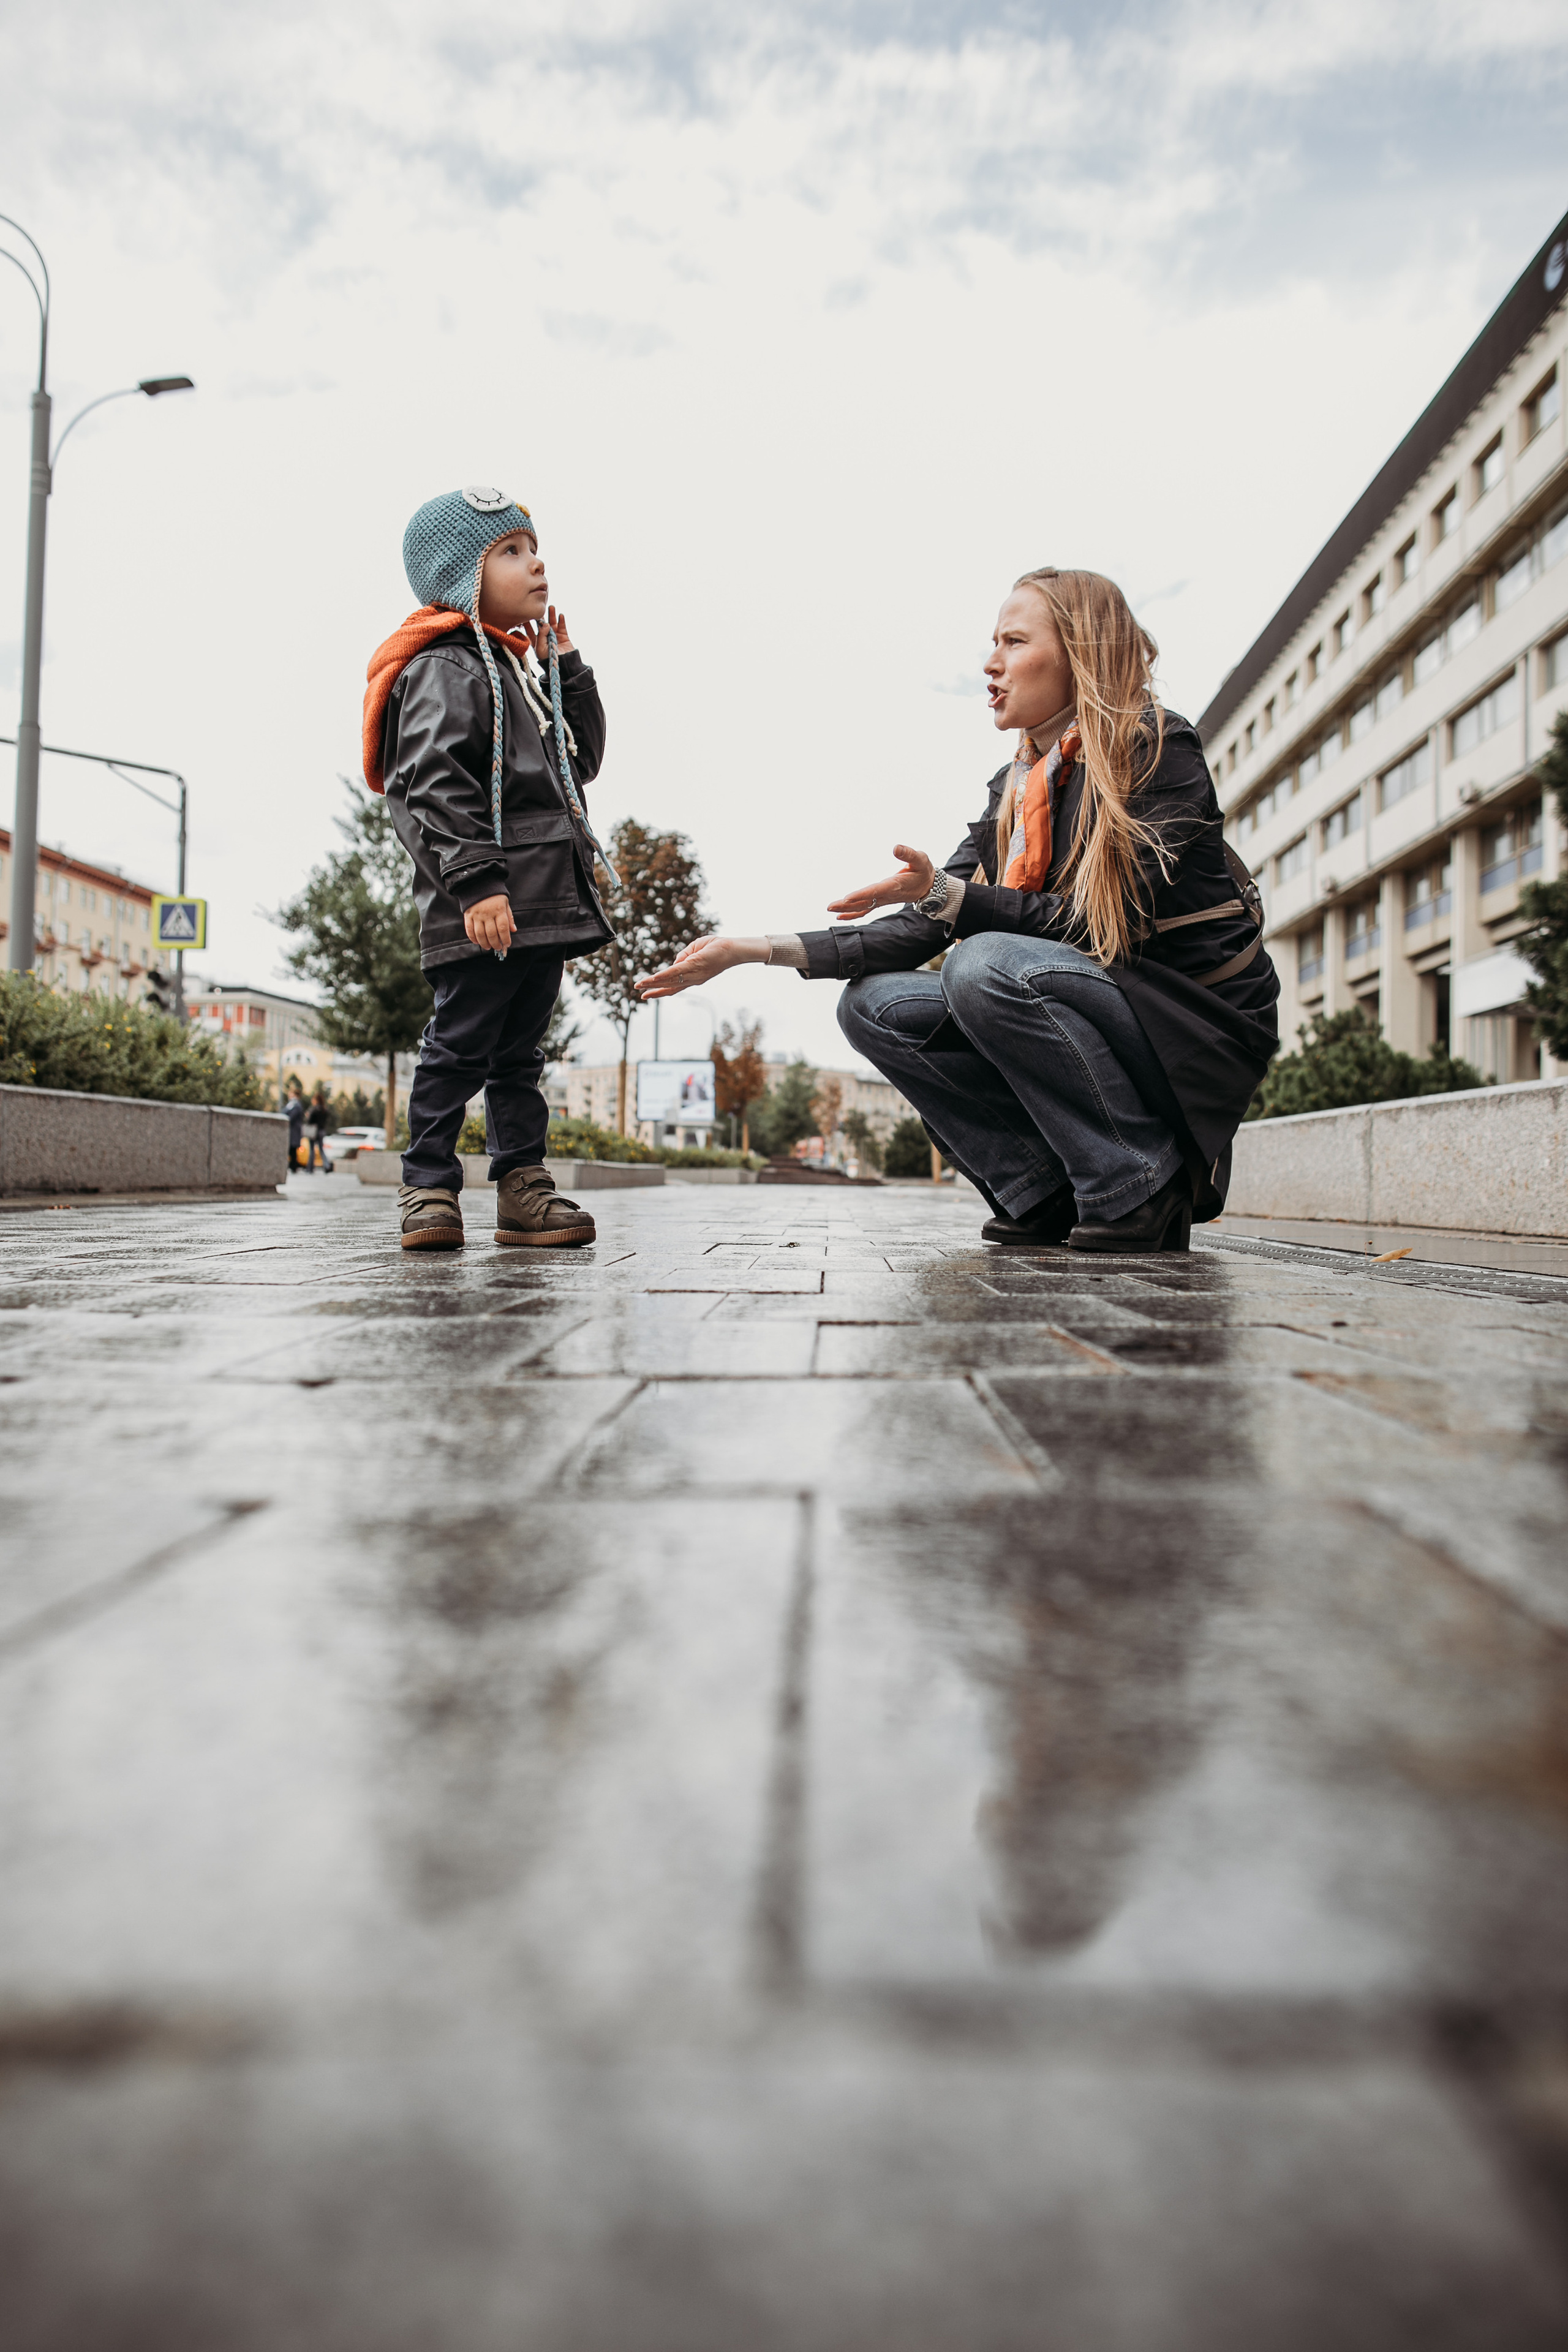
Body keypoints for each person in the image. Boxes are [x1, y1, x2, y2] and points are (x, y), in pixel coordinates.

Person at [636, 567, 1278, 1253]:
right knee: (872, 1004)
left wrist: (950, 897)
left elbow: (1095, 926)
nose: (990, 663)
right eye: (992, 642)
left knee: (984, 963)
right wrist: (751, 950)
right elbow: (923, 926)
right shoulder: (1016, 786)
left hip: (1184, 1017)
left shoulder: (1155, 748)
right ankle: (1041, 1191)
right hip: (1091, 996)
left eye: (1012, 641)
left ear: (1077, 652)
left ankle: (1139, 1183)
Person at [362, 487, 614, 1251]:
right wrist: (479, 885)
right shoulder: (447, 667)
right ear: (460, 573)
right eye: (510, 551)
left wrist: (565, 669)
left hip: (538, 903)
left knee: (519, 1059)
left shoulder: (514, 670)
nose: (535, 563)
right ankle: (429, 1186)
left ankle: (521, 1187)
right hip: (484, 902)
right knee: (459, 1046)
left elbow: (583, 763)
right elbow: (433, 782)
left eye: (534, 547)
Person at [303, 1086, 334, 1174]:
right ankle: (327, 1165)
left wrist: (307, 1116)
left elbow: (309, 1121)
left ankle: (310, 1168)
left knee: (312, 1149)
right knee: (321, 1149)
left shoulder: (314, 1110)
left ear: (316, 1100)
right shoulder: (325, 1110)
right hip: (322, 1131)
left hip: (313, 1131)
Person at [284, 1080, 306, 1173]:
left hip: (294, 1131)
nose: (289, 1096)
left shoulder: (296, 1106)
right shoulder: (291, 1105)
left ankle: (293, 1166)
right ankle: (292, 1166)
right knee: (290, 1149)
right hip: (291, 1130)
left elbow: (291, 1117)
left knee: (292, 1149)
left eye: (291, 1094)